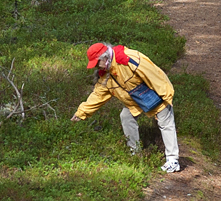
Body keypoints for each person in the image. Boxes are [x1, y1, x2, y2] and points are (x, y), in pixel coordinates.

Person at [72, 41, 182, 173]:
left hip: (155, 92)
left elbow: (154, 74)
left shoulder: (129, 58)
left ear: (104, 57)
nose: (96, 67)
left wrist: (165, 96)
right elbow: (98, 95)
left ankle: (173, 160)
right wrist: (81, 113)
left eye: (97, 63)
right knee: (125, 116)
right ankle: (135, 155)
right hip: (134, 100)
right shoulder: (105, 74)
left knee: (166, 122)